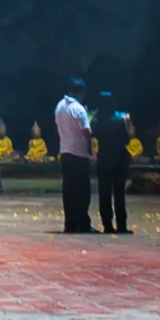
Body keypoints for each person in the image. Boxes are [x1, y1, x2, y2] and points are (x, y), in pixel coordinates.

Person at [54, 81, 97, 234]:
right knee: (83, 191)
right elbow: (87, 131)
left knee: (68, 190)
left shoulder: (59, 106)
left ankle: (70, 223)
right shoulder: (79, 109)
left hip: (65, 151)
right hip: (79, 153)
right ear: (81, 93)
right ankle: (83, 223)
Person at [98, 108, 134, 234]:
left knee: (104, 193)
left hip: (103, 159)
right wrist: (128, 122)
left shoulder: (97, 121)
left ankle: (107, 225)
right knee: (119, 193)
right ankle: (121, 225)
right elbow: (130, 136)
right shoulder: (120, 121)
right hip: (119, 159)